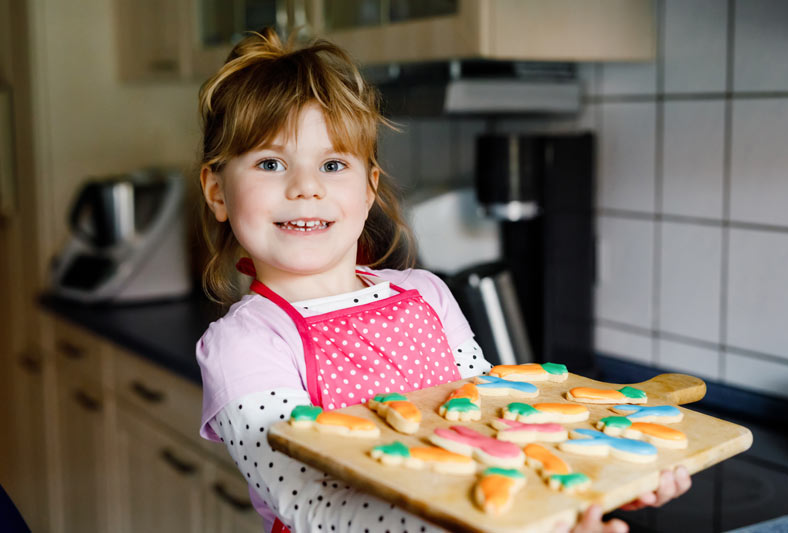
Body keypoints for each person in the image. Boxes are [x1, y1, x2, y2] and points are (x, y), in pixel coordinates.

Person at [195, 28, 691, 533]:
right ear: (217, 191)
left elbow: (490, 432)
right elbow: (315, 503)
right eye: (271, 163)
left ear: (368, 190)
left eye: (333, 163)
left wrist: (597, 480)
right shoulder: (245, 344)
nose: (306, 188)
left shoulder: (425, 295)